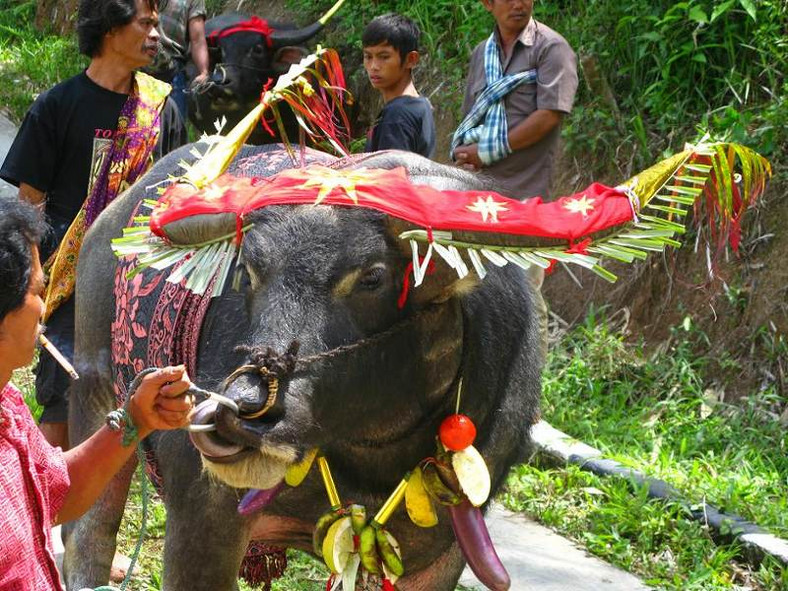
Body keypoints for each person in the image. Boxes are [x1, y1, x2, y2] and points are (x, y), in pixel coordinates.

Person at [0, 0, 187, 451]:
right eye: (145, 24)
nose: (155, 36)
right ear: (109, 28)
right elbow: (29, 208)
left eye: (156, 26)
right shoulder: (57, 106)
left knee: (128, 394)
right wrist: (36, 284)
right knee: (64, 396)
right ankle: (46, 501)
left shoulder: (162, 111)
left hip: (140, 277)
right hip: (68, 282)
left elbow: (179, 195)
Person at [0, 195, 194, 589]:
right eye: (37, 291)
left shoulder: (7, 404)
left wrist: (135, 419)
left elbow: (56, 493)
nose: (43, 306)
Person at [452, 0, 578, 201]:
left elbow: (549, 115)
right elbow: (471, 119)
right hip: (480, 190)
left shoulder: (551, 48)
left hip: (528, 191)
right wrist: (468, 155)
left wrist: (487, 152)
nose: (518, 5)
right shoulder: (481, 54)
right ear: (487, 4)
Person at [362, 13, 436, 158]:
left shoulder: (397, 116)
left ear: (411, 59)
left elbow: (392, 178)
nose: (373, 66)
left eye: (384, 57)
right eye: (368, 56)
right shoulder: (421, 104)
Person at [144, 0, 210, 119]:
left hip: (172, 69)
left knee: (174, 124)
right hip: (137, 61)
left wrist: (203, 72)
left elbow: (198, 40)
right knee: (127, 124)